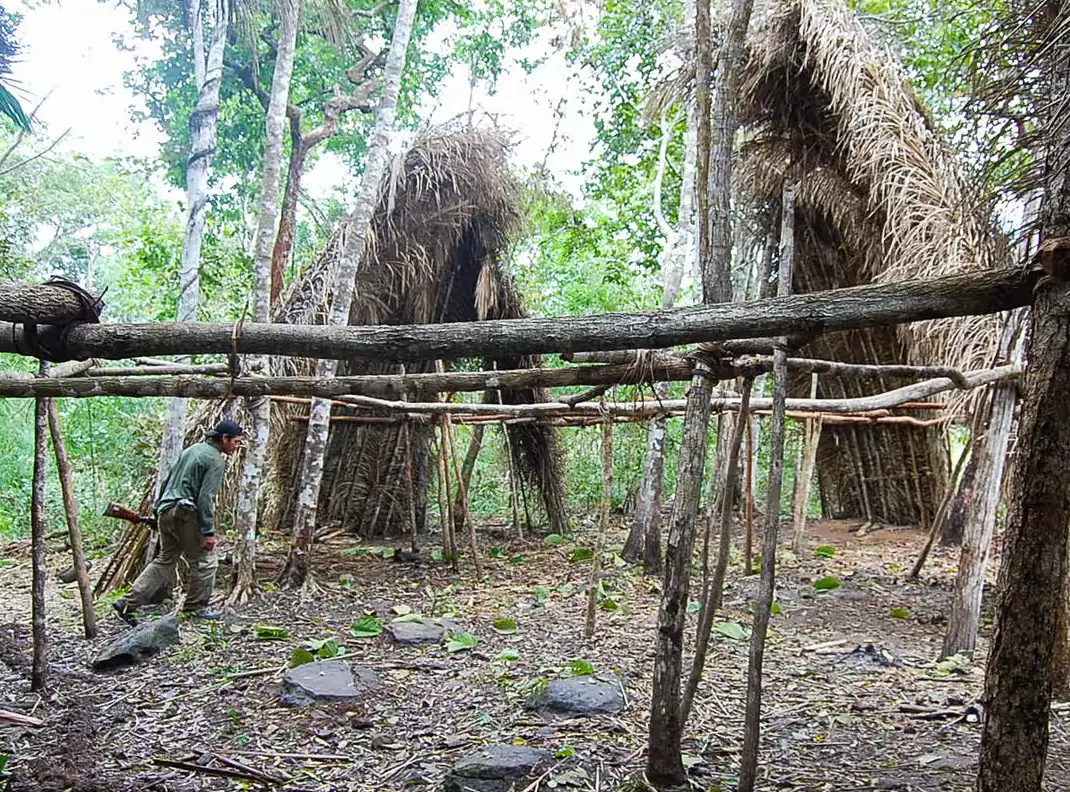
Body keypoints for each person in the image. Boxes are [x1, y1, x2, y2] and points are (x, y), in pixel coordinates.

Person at [112, 419, 243, 625]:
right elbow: (206, 497)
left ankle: (128, 602)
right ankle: (195, 608)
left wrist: (157, 512)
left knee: (165, 559)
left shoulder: (191, 450)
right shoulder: (215, 460)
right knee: (205, 561)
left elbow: (166, 482)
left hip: (165, 509)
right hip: (185, 514)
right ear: (224, 438)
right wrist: (208, 532)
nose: (236, 446)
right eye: (235, 441)